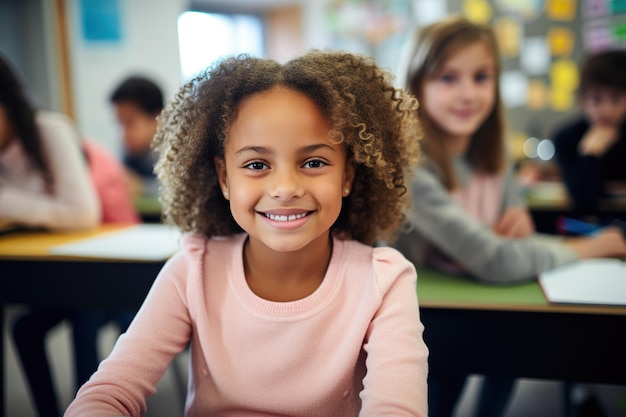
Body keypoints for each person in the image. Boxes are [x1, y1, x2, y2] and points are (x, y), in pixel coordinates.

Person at [65, 51, 429, 416]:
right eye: (256, 164)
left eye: (314, 162)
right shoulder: (192, 271)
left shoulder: (384, 281)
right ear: (225, 178)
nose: (285, 188)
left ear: (347, 175)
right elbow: (110, 392)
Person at [392, 16, 626, 417]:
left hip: (481, 299)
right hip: (422, 318)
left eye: (481, 77)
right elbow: (496, 259)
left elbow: (515, 224)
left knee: (513, 351)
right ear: (416, 84)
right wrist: (592, 245)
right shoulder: (409, 164)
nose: (468, 93)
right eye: (447, 78)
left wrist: (516, 214)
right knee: (441, 394)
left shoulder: (492, 147)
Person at [0, 53, 139, 417]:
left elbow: (81, 215)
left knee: (85, 315)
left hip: (97, 269)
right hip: (49, 272)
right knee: (24, 329)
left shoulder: (50, 130)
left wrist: (7, 202)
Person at [553, 49, 626, 215]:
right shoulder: (566, 138)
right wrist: (590, 153)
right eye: (596, 99)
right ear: (583, 100)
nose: (606, 110)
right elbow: (582, 200)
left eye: (616, 98)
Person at [109, 75, 164, 198]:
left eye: (130, 122)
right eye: (120, 123)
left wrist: (142, 187)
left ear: (157, 118)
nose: (123, 134)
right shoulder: (131, 154)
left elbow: (184, 190)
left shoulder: (177, 152)